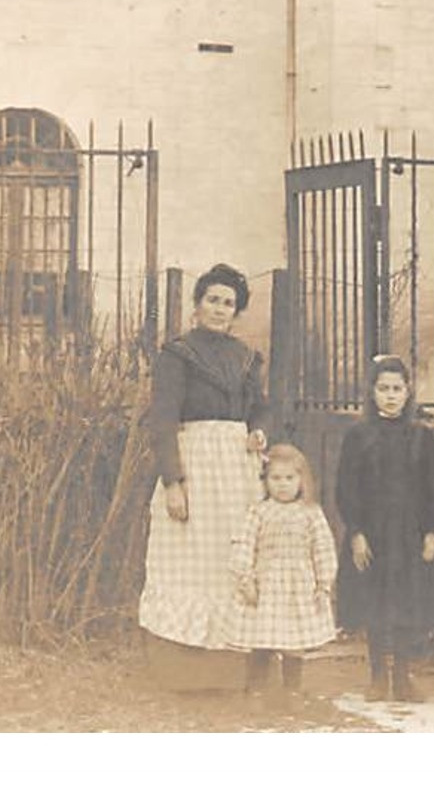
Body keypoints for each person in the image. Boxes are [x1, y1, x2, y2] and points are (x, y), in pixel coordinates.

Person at [138, 263, 269, 674]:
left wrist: (259, 432)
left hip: (235, 471)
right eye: (213, 300)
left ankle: (232, 664)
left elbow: (261, 408)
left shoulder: (246, 358)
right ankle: (184, 667)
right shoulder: (178, 355)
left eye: (228, 303)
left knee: (233, 555)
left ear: (236, 312)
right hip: (194, 464)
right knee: (188, 557)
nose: (220, 309)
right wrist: (173, 482)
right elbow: (162, 419)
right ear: (197, 305)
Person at [334, 355, 434, 701]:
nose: (391, 396)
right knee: (375, 604)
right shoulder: (358, 435)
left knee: (407, 605)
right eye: (383, 388)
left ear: (408, 392)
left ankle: (403, 676)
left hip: (409, 536)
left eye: (398, 389)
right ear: (372, 392)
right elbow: (346, 488)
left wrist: (431, 532)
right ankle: (377, 676)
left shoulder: (421, 436)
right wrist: (356, 533)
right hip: (373, 535)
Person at [228, 443, 338, 700]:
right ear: (265, 480)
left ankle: (292, 691)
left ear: (302, 479)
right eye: (275, 478)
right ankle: (255, 690)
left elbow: (323, 548)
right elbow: (244, 544)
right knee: (261, 640)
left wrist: (323, 585)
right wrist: (246, 580)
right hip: (265, 588)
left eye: (290, 478)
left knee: (294, 643)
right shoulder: (259, 511)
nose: (283, 484)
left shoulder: (311, 513)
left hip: (298, 589)